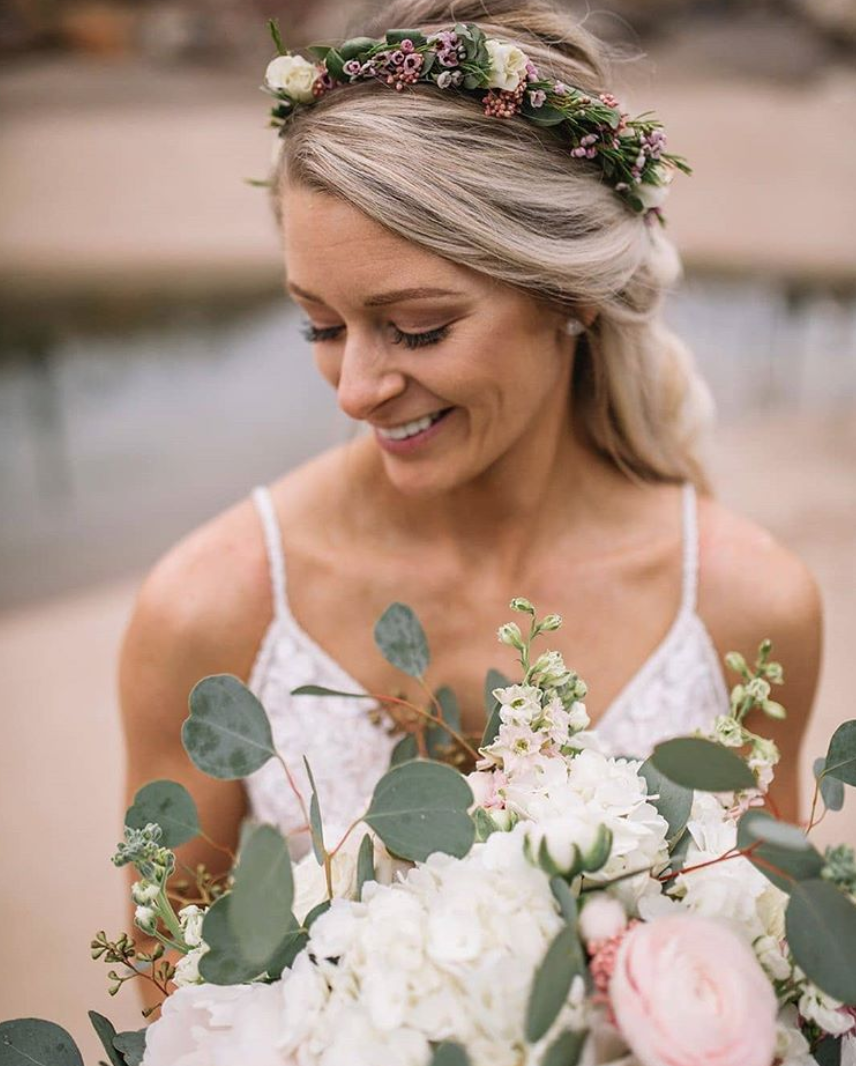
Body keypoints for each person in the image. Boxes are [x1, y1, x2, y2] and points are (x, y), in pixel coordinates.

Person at [119, 0, 821, 908]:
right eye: (321, 324)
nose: (354, 390)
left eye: (417, 329)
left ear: (571, 295)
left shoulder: (747, 612)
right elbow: (165, 973)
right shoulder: (209, 612)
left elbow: (779, 960)